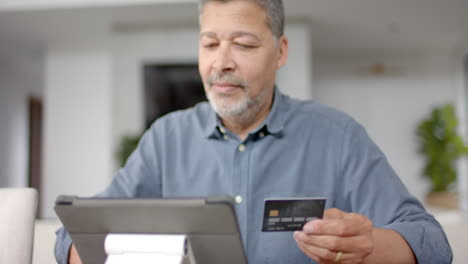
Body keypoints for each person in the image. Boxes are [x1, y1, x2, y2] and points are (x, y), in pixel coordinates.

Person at [55, 0, 453, 263]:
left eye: (243, 45)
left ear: (280, 52)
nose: (221, 62)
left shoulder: (338, 136)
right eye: (210, 44)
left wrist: (368, 246)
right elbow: (71, 239)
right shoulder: (166, 138)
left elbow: (433, 243)